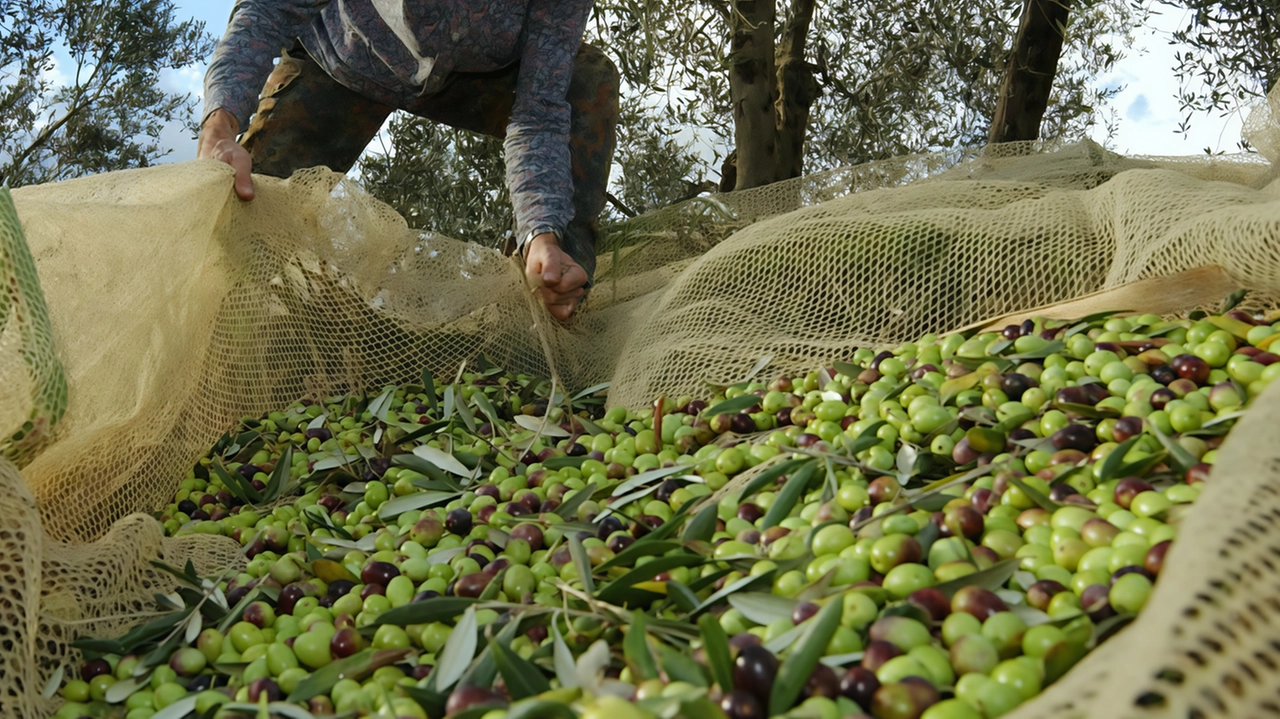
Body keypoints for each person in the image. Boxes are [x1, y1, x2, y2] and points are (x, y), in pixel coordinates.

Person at [196, 1, 619, 321]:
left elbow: (540, 111)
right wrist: (219, 127)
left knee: (588, 82)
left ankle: (554, 298)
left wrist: (542, 232)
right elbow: (266, 13)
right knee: (243, 207)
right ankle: (225, 333)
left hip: (470, 76)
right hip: (339, 64)